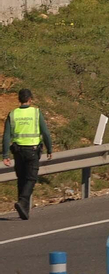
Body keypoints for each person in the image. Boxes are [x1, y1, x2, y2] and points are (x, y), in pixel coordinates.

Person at [3, 89, 53, 220]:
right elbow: (46, 133)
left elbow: (6, 135)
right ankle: (23, 201)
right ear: (30, 99)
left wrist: (5, 155)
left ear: (19, 99)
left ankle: (23, 210)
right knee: (31, 178)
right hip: (32, 150)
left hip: (18, 151)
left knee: (21, 178)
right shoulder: (36, 113)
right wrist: (50, 149)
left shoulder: (13, 114)